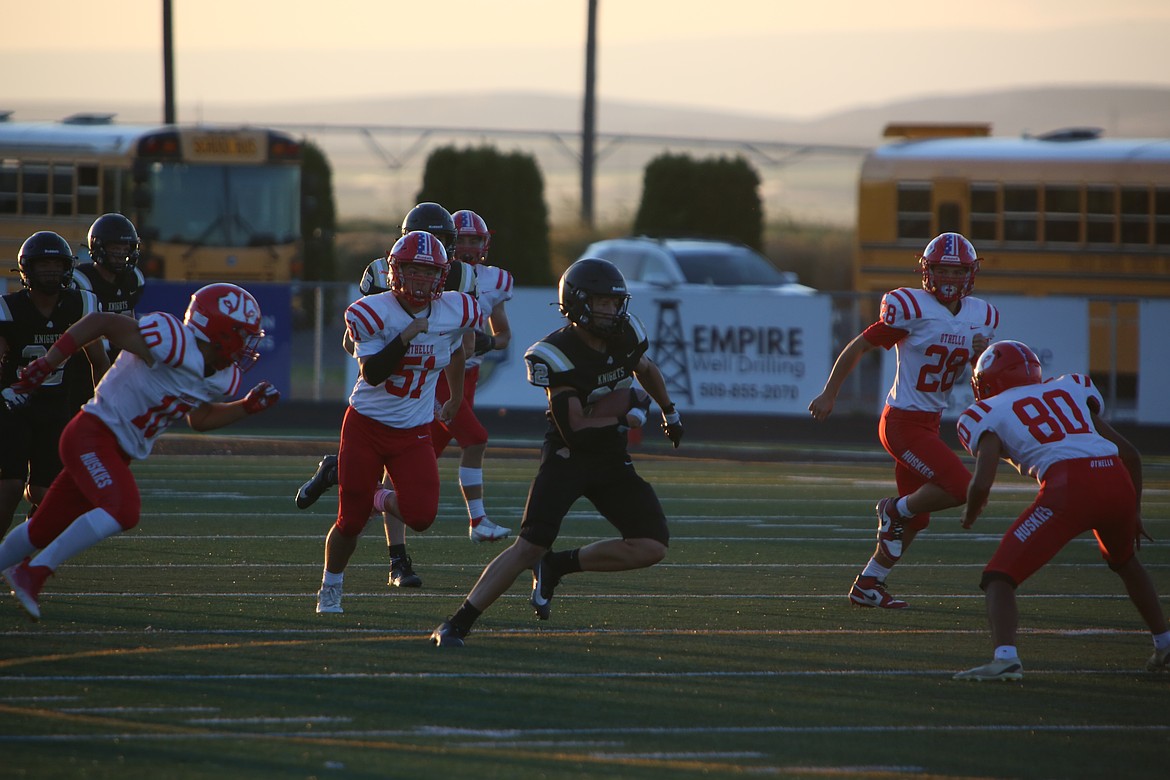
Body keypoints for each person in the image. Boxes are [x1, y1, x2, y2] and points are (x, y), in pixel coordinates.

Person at [430, 257, 684, 647]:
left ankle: (557, 566)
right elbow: (576, 428)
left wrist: (668, 410)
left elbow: (644, 368)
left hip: (611, 459)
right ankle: (458, 622)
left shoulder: (625, 333)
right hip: (569, 456)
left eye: (615, 302)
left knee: (651, 545)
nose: (612, 310)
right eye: (602, 302)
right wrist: (625, 415)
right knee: (529, 543)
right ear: (579, 303)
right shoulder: (554, 353)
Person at [0, 283, 279, 620]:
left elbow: (200, 418)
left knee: (41, 529)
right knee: (124, 510)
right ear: (219, 329)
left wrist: (245, 408)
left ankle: (19, 565)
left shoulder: (222, 377)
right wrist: (49, 361)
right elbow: (100, 322)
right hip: (92, 434)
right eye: (242, 334)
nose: (248, 346)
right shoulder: (171, 342)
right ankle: (34, 572)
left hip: (117, 451)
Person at [952, 340, 1170, 680]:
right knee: (1125, 561)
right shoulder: (1070, 390)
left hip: (1070, 487)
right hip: (1116, 478)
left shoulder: (985, 411)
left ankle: (1005, 658)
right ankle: (1165, 641)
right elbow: (1130, 454)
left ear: (987, 381)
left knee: (999, 576)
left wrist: (970, 512)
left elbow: (982, 480)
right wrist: (1134, 510)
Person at [295, 202, 480, 589]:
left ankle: (374, 504)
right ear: (395, 268)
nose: (421, 279)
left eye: (432, 268)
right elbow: (369, 365)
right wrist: (402, 337)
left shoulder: (457, 303)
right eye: (413, 269)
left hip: (413, 423)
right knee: (351, 520)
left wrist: (454, 397)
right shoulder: (373, 305)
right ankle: (337, 584)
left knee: (422, 512)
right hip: (370, 415)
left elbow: (459, 349)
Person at [808, 232, 998, 609]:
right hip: (901, 423)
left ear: (969, 275)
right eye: (941, 270)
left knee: (918, 518)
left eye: (956, 271)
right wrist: (830, 392)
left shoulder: (981, 317)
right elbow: (860, 344)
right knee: (960, 486)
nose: (948, 278)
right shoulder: (912, 307)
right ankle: (892, 509)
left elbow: (981, 379)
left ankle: (868, 584)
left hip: (929, 422)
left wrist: (980, 357)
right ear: (927, 271)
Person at [0, 231, 110, 536]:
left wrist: (104, 408)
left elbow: (98, 360)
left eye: (56, 264)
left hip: (56, 408)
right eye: (43, 264)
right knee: (8, 487)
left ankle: (19, 550)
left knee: (45, 494)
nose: (50, 271)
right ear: (27, 270)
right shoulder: (9, 309)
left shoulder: (81, 305)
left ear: (68, 268)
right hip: (14, 408)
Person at [429, 209, 513, 544]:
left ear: (485, 243)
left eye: (474, 239)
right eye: (461, 238)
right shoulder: (436, 273)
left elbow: (504, 335)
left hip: (469, 375)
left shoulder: (494, 280)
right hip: (440, 372)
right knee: (475, 439)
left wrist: (489, 341)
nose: (467, 246)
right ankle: (477, 520)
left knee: (422, 453)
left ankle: (368, 495)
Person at [73, 213, 147, 321]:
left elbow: (130, 323)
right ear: (98, 246)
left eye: (125, 249)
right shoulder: (81, 282)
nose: (121, 255)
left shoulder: (133, 278)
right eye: (116, 249)